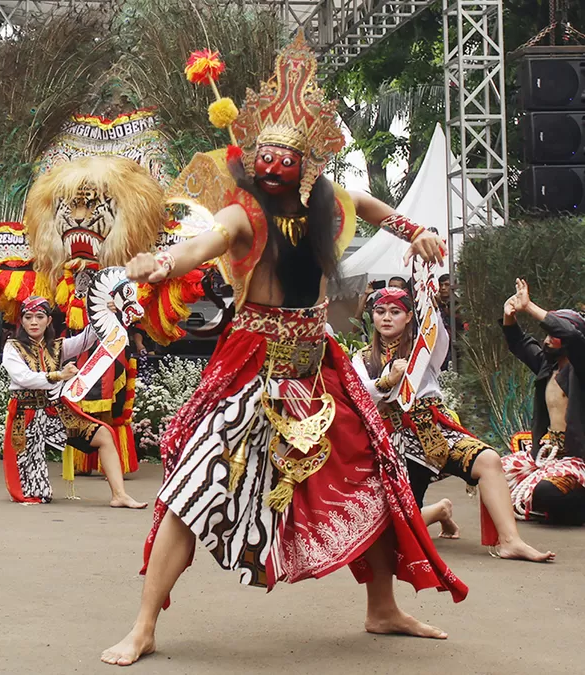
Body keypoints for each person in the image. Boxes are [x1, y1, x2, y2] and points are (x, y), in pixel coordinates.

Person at [101, 34, 466, 667]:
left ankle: (382, 608)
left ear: (310, 161)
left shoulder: (332, 201)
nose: (271, 163)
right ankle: (143, 624)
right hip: (252, 365)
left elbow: (378, 209)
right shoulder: (243, 214)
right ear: (251, 155)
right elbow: (202, 244)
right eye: (263, 153)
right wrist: (161, 262)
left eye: (284, 155)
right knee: (191, 490)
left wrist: (420, 231)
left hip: (319, 363)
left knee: (378, 474)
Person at [352, 287, 553, 561]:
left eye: (395, 312)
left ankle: (510, 540)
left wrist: (429, 294)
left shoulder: (425, 349)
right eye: (380, 312)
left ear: (410, 316)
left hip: (436, 432)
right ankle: (439, 511)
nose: (387, 318)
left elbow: (438, 334)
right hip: (395, 442)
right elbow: (358, 393)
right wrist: (386, 381)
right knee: (390, 534)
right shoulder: (361, 358)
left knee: (489, 459)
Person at [1, 295, 147, 508]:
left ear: (48, 321)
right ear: (21, 321)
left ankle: (119, 495)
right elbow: (22, 377)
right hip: (27, 414)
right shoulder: (12, 347)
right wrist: (59, 376)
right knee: (34, 493)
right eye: (28, 317)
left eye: (40, 316)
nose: (34, 322)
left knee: (104, 434)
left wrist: (106, 312)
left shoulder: (58, 347)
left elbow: (88, 337)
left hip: (55, 411)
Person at [502, 278, 585, 524]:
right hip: (548, 454)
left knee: (546, 493)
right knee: (493, 472)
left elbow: (570, 332)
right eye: (546, 335)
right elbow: (519, 343)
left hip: (578, 460)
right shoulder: (547, 367)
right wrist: (510, 315)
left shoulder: (581, 369)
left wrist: (530, 307)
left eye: (553, 335)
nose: (547, 340)